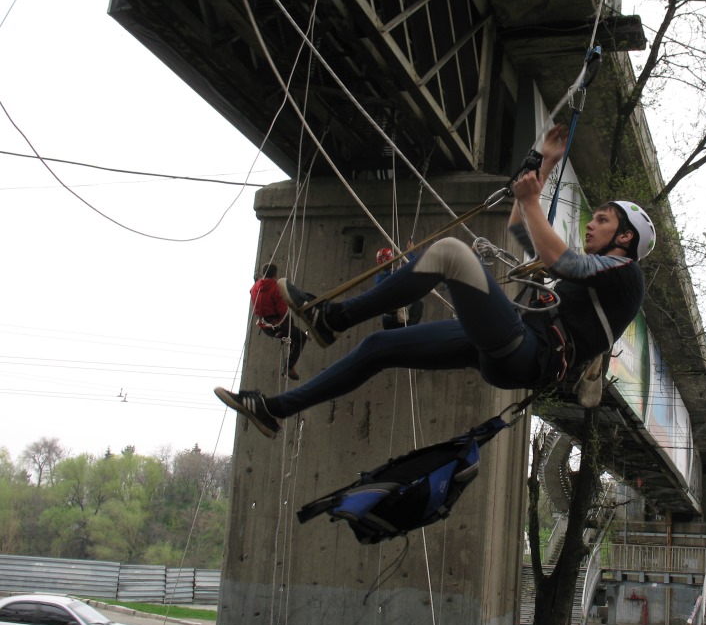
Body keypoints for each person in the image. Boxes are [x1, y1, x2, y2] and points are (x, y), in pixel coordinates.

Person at [214, 124, 654, 439]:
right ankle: (273, 410)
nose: (591, 224)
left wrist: (536, 198)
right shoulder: (597, 275)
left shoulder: (625, 276)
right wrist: (542, 170)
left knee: (450, 253)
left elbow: (559, 259)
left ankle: (333, 319)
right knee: (378, 349)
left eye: (602, 220)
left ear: (625, 237)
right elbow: (522, 230)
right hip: (512, 349)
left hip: (528, 351)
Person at [250, 262, 307, 380]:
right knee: (301, 338)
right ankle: (288, 367)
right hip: (277, 326)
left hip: (265, 326)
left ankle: (287, 341)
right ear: (275, 275)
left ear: (262, 273)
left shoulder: (254, 288)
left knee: (290, 323)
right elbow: (282, 310)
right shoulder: (275, 288)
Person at [375, 241, 424, 330]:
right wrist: (410, 251)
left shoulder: (378, 277)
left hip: (386, 321)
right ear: (391, 259)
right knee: (419, 303)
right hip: (399, 321)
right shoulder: (395, 275)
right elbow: (414, 267)